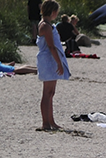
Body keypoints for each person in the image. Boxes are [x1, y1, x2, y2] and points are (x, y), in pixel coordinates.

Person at [36, 0, 69, 131]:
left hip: (51, 61)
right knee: (47, 93)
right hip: (48, 61)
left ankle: (51, 121)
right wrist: (59, 63)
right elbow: (51, 46)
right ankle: (45, 123)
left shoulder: (50, 25)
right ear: (53, 12)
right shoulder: (45, 26)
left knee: (51, 92)